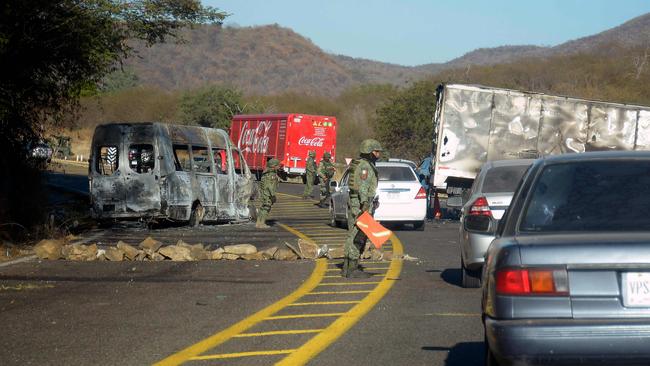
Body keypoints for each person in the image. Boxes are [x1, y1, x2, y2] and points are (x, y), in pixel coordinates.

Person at [341, 139, 382, 278]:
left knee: (353, 235)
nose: (378, 154)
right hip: (360, 205)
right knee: (358, 236)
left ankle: (347, 268)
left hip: (356, 203)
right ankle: (352, 269)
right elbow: (363, 187)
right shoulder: (365, 167)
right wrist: (365, 205)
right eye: (376, 152)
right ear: (370, 152)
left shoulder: (359, 163)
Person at [256, 158, 281, 229]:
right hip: (268, 194)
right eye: (277, 165)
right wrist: (273, 195)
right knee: (266, 208)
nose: (279, 166)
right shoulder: (271, 175)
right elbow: (270, 186)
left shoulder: (266, 173)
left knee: (262, 207)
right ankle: (262, 223)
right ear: (274, 166)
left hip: (264, 193)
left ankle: (258, 222)